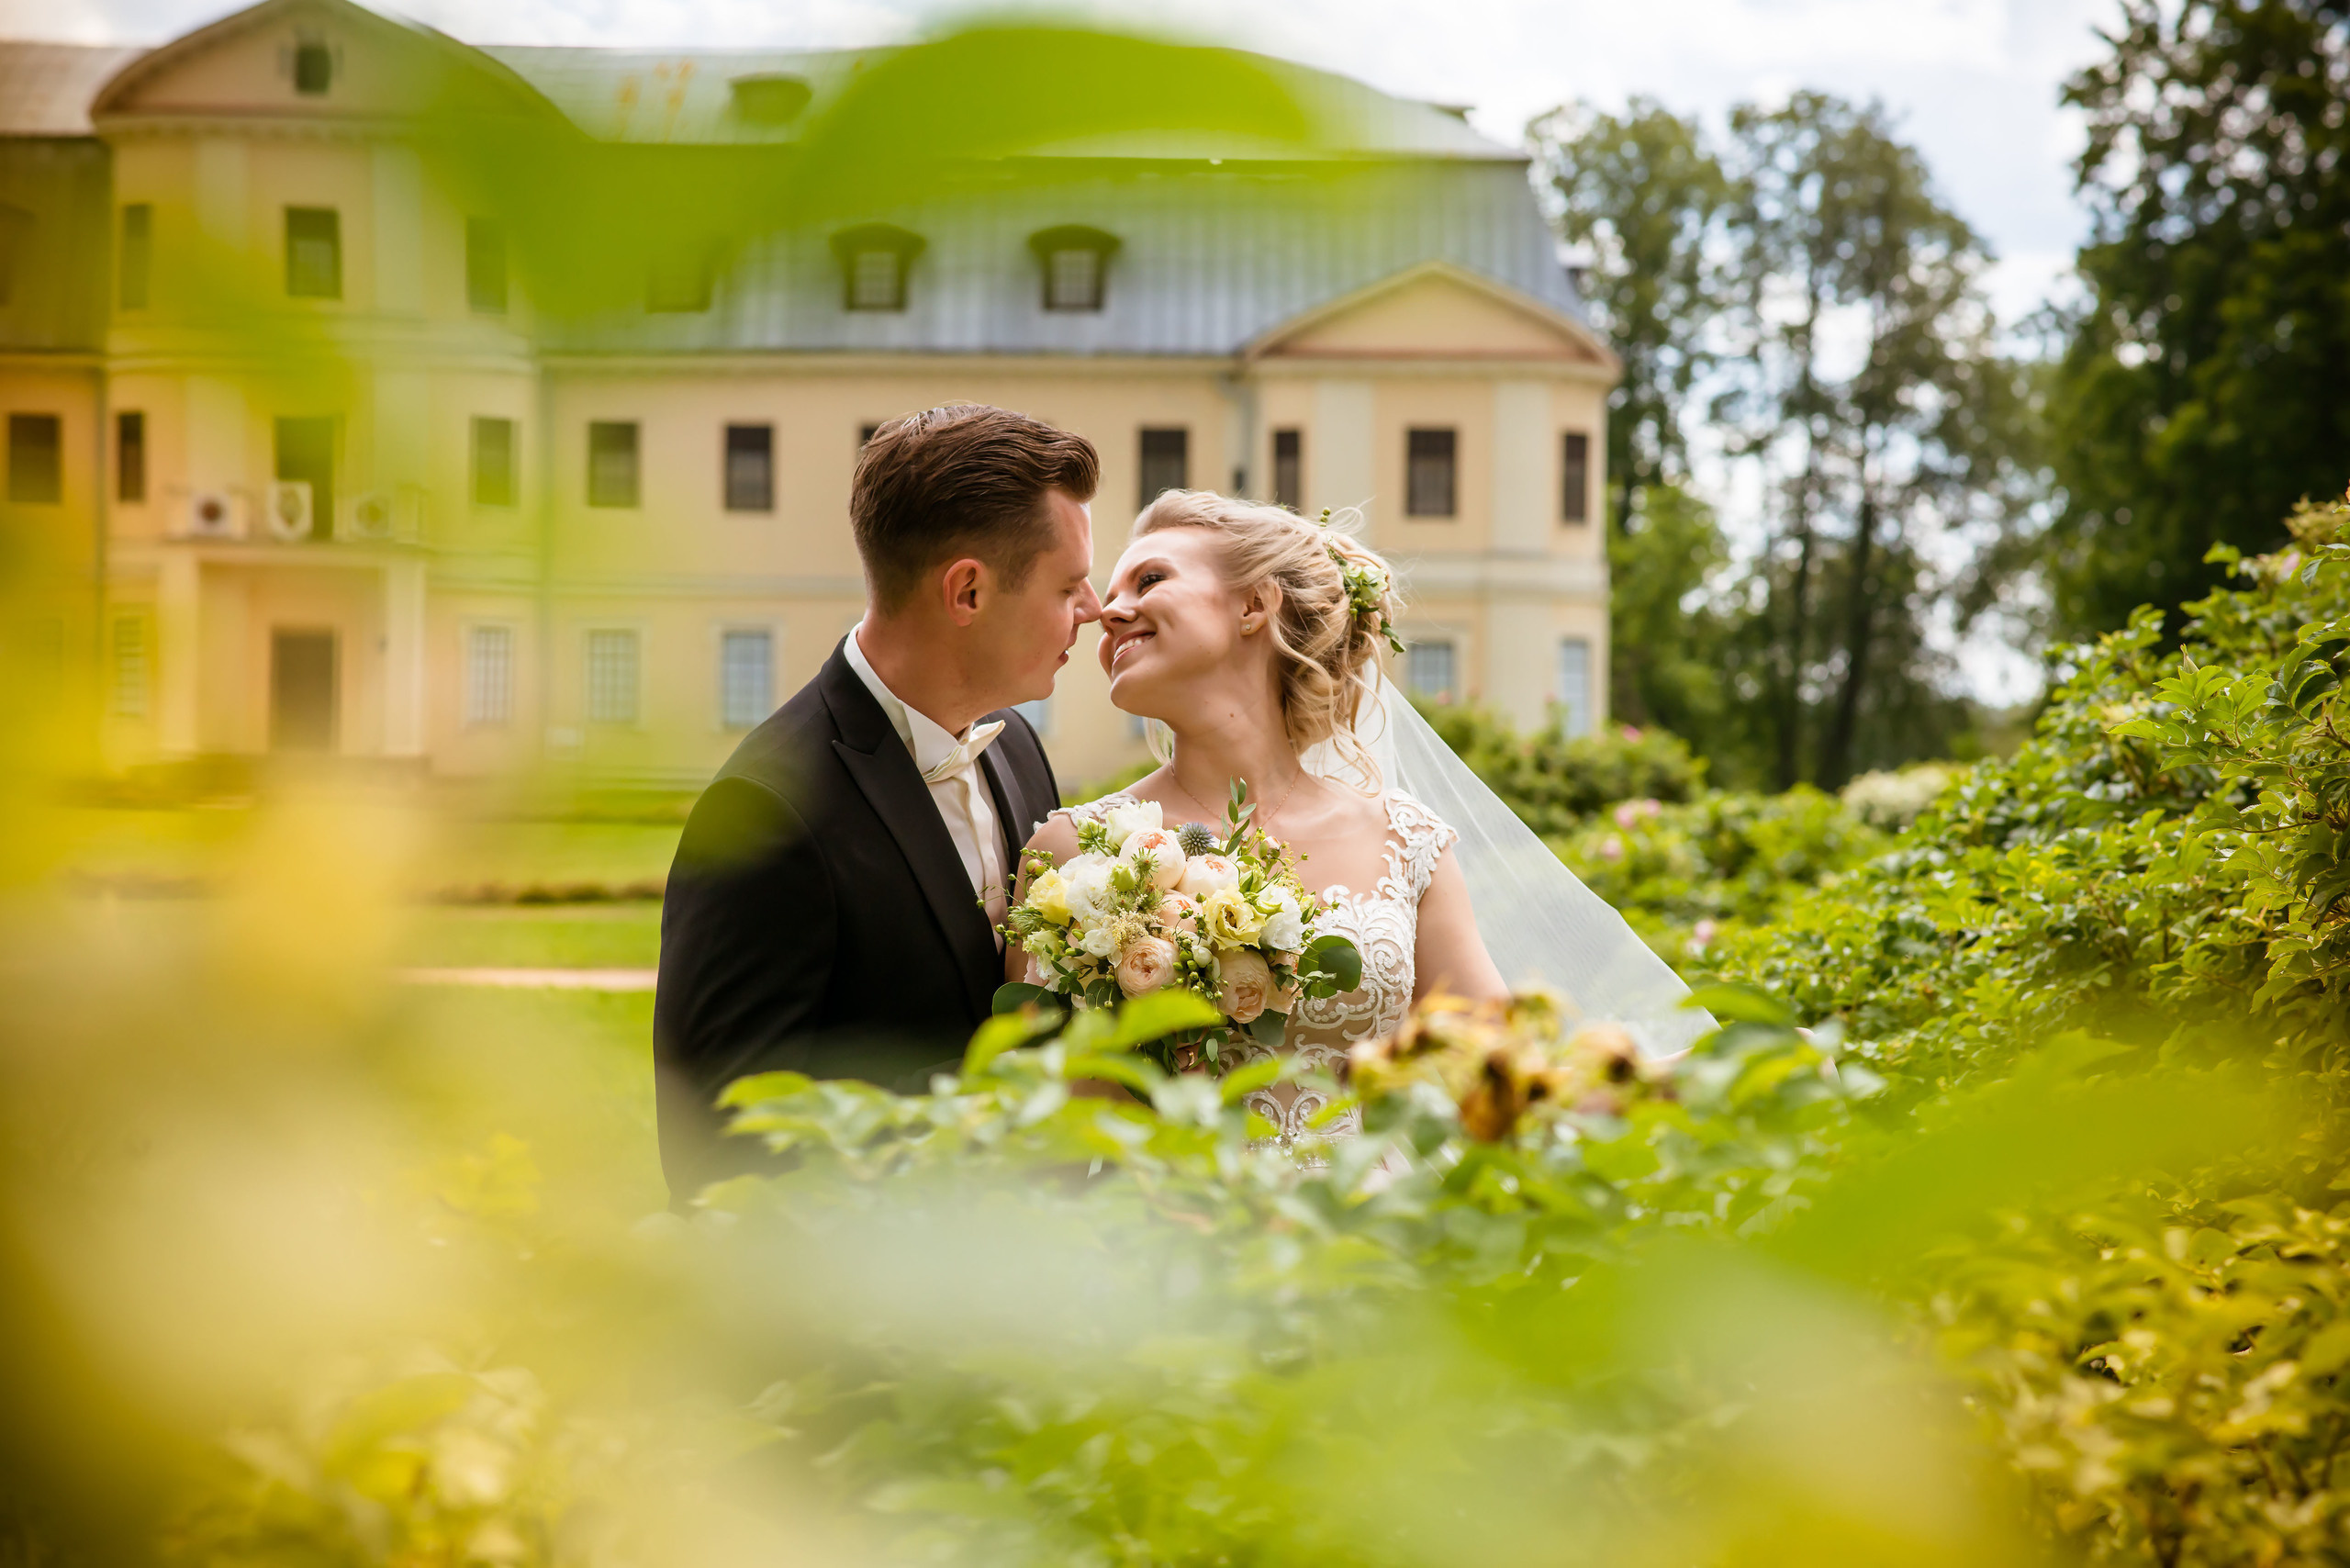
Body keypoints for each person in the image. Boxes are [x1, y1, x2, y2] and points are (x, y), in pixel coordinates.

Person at [655, 404, 1102, 1202]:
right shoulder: (764, 809)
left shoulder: (1020, 750)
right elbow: (720, 1154)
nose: (1093, 609)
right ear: (967, 590)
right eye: (1069, 585)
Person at [1015, 489, 1509, 1141]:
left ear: (1254, 604)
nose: (1108, 612)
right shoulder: (1072, 852)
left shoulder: (1405, 840)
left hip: (1374, 1229)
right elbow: (1042, 1134)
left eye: (1151, 578)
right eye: (1113, 590)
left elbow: (1503, 1081)